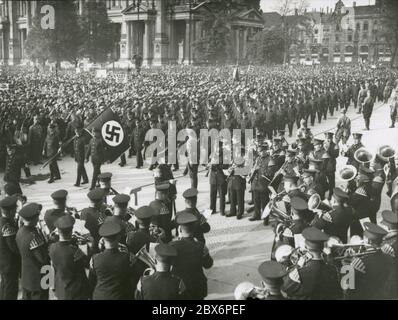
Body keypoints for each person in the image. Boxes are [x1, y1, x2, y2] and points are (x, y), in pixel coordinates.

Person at [281, 227, 341, 300]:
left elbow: (284, 288)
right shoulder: (332, 269)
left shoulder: (299, 273)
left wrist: (297, 266)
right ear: (322, 248)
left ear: (306, 247)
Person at [345, 222, 396, 300]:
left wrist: (346, 265)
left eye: (364, 238)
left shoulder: (359, 263)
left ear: (368, 241)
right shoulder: (390, 258)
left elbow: (347, 288)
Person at [169, 213, 213, 300]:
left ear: (180, 229)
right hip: (198, 287)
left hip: (181, 288)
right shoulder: (201, 246)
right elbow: (208, 265)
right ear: (194, 230)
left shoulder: (172, 246)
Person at [49, 215, 90, 300]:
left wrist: (72, 241)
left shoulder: (52, 247)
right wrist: (89, 245)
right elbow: (86, 263)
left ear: (58, 232)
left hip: (61, 289)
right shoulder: (75, 251)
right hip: (76, 292)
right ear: (71, 231)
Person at [89, 221, 133, 300]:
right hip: (120, 296)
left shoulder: (94, 258)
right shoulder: (127, 257)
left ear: (103, 239)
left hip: (100, 296)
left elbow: (92, 279)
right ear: (118, 237)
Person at [16, 203, 50, 300]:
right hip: (39, 277)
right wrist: (47, 241)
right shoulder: (34, 237)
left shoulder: (20, 231)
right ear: (34, 218)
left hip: (26, 276)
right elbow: (43, 258)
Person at [0, 196, 20, 300]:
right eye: (15, 208)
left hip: (3, 261)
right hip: (10, 263)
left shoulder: (2, 221)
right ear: (11, 211)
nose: (16, 209)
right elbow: (14, 247)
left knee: (4, 286)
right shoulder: (7, 226)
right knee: (10, 290)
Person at [73, 123, 89, 187]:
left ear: (80, 131)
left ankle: (77, 183)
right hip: (77, 156)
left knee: (79, 169)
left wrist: (86, 157)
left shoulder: (83, 139)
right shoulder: (75, 138)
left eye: (78, 131)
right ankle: (86, 179)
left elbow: (86, 149)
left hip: (82, 156)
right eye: (76, 131)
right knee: (82, 168)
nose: (77, 132)